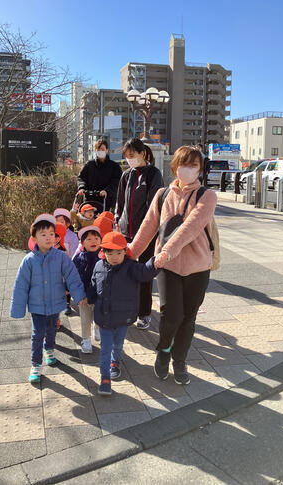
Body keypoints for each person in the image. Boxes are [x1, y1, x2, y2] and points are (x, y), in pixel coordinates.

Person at [129, 146, 217, 385]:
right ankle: (164, 351)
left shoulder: (207, 196)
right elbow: (147, 228)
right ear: (175, 166)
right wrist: (128, 255)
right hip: (167, 266)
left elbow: (191, 227)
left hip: (197, 267)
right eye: (183, 164)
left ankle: (180, 361)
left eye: (194, 166)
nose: (187, 170)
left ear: (200, 169)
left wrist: (166, 251)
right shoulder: (162, 194)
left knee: (188, 318)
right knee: (170, 315)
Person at [10, 214, 87, 383]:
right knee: (38, 333)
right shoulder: (28, 261)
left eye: (51, 234)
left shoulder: (61, 257)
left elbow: (72, 277)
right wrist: (17, 308)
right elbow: (21, 285)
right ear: (34, 238)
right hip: (37, 305)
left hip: (55, 303)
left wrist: (80, 295)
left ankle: (49, 350)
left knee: (52, 329)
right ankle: (35, 365)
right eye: (43, 234)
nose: (48, 237)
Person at [89, 232, 158, 396]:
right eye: (110, 252)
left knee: (118, 344)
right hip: (104, 317)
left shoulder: (131, 267)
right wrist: (88, 298)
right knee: (105, 348)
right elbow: (93, 284)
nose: (114, 257)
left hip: (123, 317)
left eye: (119, 252)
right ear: (103, 252)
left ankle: (115, 362)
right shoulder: (98, 266)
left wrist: (156, 261)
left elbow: (146, 272)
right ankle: (105, 378)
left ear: (125, 252)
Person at [115, 138, 164, 330]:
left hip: (146, 235)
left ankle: (144, 313)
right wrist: (118, 222)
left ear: (142, 154)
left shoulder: (154, 174)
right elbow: (119, 203)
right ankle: (128, 309)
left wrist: (147, 231)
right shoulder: (126, 175)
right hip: (126, 231)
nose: (129, 159)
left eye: (132, 155)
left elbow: (154, 208)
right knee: (125, 273)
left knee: (144, 275)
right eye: (127, 157)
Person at [72, 225, 102, 353]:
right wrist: (78, 296)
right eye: (89, 239)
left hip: (100, 296)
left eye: (96, 238)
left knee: (99, 318)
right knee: (85, 320)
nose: (93, 241)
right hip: (83, 297)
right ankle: (86, 340)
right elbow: (73, 278)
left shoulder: (104, 257)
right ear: (82, 243)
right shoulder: (78, 258)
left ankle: (97, 329)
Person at [77, 139, 122, 210]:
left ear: (107, 150)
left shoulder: (114, 167)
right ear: (95, 150)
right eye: (98, 149)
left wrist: (107, 191)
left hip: (107, 201)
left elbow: (116, 182)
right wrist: (82, 188)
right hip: (89, 200)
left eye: (102, 149)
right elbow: (81, 178)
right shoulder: (89, 165)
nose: (100, 151)